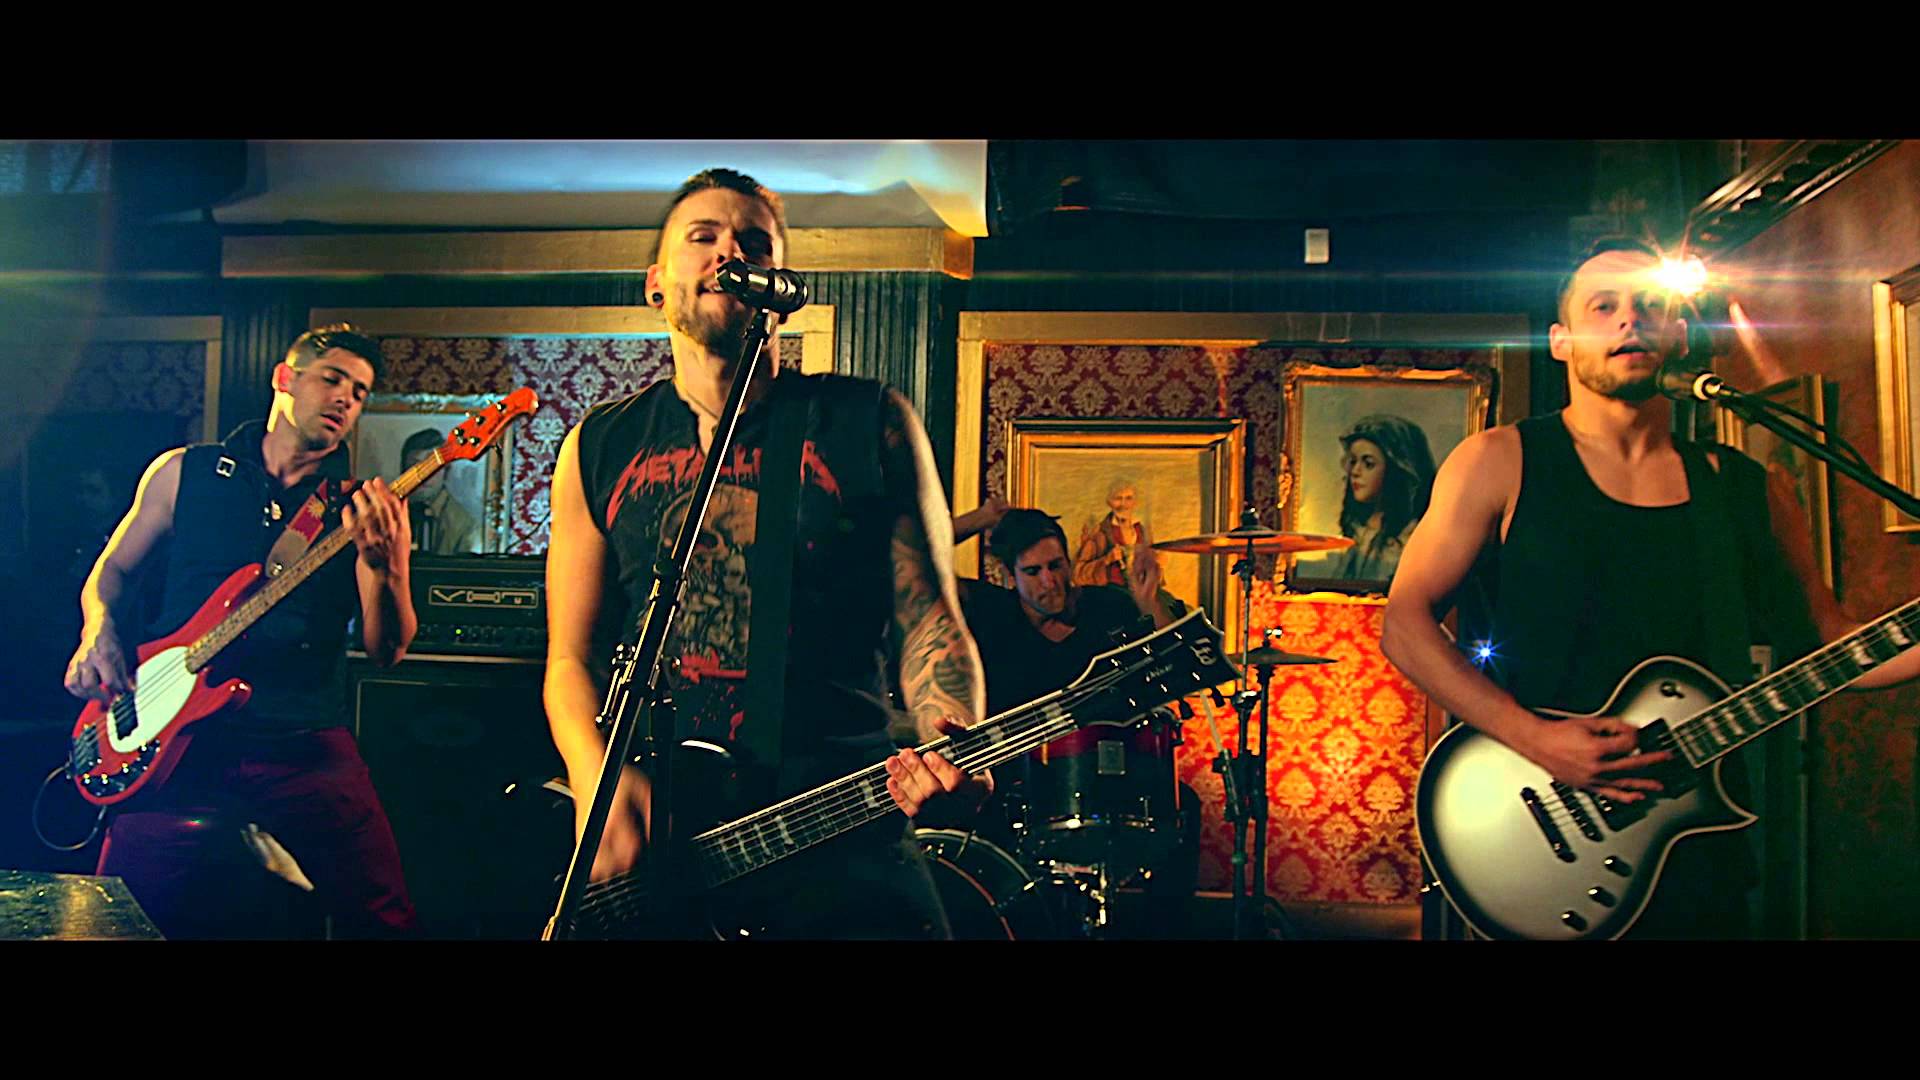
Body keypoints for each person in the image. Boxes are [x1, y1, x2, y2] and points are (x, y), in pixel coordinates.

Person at [1380, 237, 1920, 939]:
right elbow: (1405, 624)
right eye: (1603, 307)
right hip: (1533, 819)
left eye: (1650, 305)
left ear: (1679, 334)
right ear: (1561, 341)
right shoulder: (1500, 461)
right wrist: (1537, 738)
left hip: (1697, 845)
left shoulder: (1748, 487)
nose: (1629, 319)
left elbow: (1835, 644)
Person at [542, 167, 986, 940]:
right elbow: (569, 660)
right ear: (656, 284)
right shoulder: (599, 444)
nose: (729, 252)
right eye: (702, 236)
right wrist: (595, 779)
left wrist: (955, 742)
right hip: (667, 836)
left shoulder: (866, 420)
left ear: (781, 283)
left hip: (839, 814)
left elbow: (930, 624)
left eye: (753, 241)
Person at [63, 323, 421, 939]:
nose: (345, 398)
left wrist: (385, 567)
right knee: (115, 920)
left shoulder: (362, 507)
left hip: (301, 738)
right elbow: (114, 570)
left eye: (359, 392)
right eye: (332, 378)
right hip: (175, 737)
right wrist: (99, 628)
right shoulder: (184, 472)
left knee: (385, 917)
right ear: (285, 379)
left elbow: (388, 649)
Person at [952, 503, 1203, 935]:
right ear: (1009, 575)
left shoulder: (1109, 605)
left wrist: (1148, 600)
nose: (1050, 581)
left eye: (1056, 565)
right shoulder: (991, 611)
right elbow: (912, 557)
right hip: (1021, 778)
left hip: (1110, 771)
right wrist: (980, 519)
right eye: (1033, 572)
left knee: (1184, 806)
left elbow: (1174, 667)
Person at [1332, 414, 1436, 584]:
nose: (1355, 472)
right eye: (1353, 462)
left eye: (1368, 464)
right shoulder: (1359, 531)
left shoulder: (1411, 538)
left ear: (1394, 472)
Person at [399, 427, 480, 554]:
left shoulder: (465, 524)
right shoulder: (390, 514)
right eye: (414, 467)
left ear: (446, 470)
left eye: (432, 468)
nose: (423, 476)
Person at [1072, 478, 1146, 587]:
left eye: (1128, 498)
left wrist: (1157, 565)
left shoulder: (1141, 531)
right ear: (1109, 502)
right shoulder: (1099, 533)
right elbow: (1078, 575)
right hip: (1111, 593)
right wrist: (1107, 560)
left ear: (1135, 502)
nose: (1123, 504)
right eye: (1118, 498)